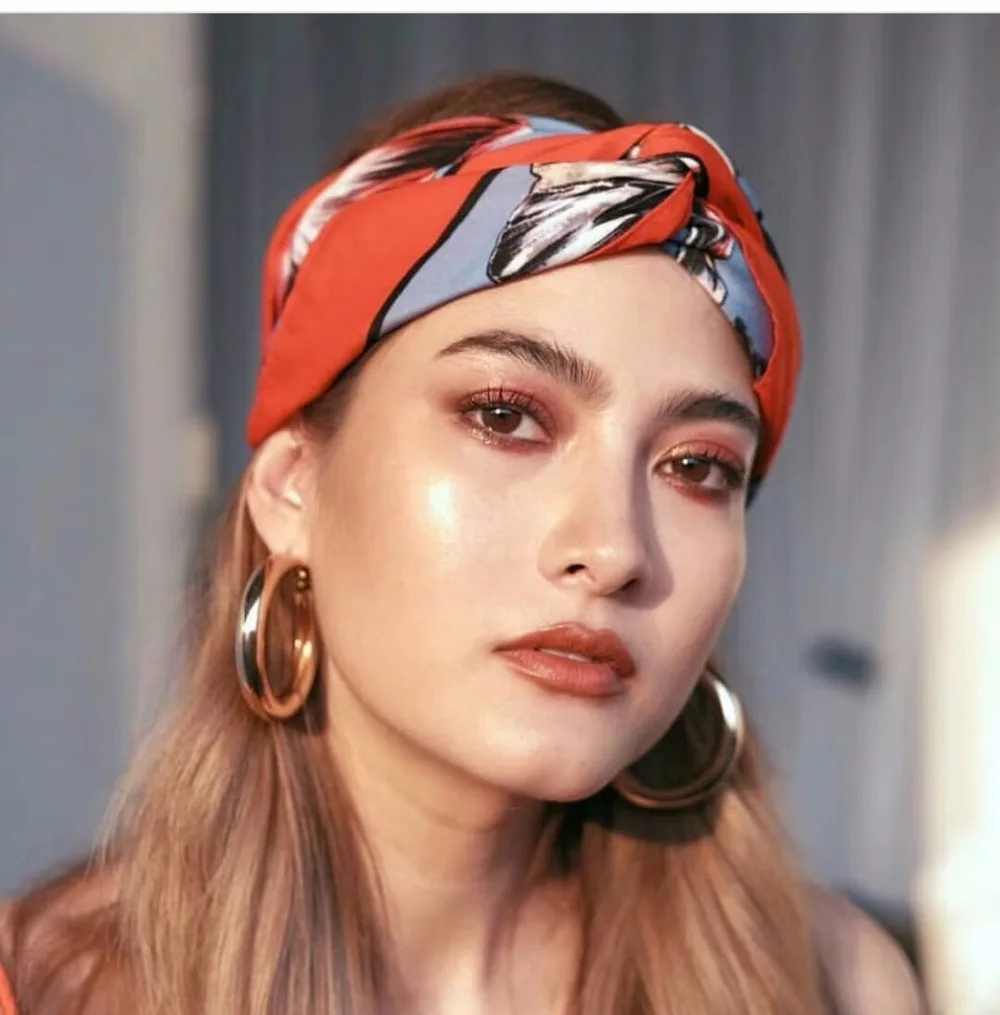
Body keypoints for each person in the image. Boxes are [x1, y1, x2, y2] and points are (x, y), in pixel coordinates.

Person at [0, 72, 922, 1015]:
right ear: (292, 487)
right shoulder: (47, 987)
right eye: (505, 415)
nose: (613, 548)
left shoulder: (835, 987)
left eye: (697, 467)